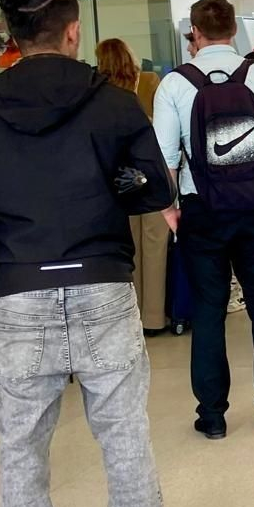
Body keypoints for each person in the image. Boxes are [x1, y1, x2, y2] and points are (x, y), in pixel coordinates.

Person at [0, 0, 180, 507]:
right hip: (102, 281)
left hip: (18, 289)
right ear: (72, 31)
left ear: (12, 40)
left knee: (20, 448)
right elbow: (154, 187)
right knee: (123, 433)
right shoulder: (111, 103)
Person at [154, 0, 254, 439]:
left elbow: (164, 159)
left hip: (202, 213)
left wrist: (170, 211)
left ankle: (212, 416)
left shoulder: (175, 84)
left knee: (209, 312)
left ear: (194, 32)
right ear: (234, 30)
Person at [97, 38, 172, 337]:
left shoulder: (99, 93)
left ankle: (132, 314)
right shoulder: (151, 82)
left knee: (129, 248)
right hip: (151, 173)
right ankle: (154, 317)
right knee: (155, 244)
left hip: (118, 180)